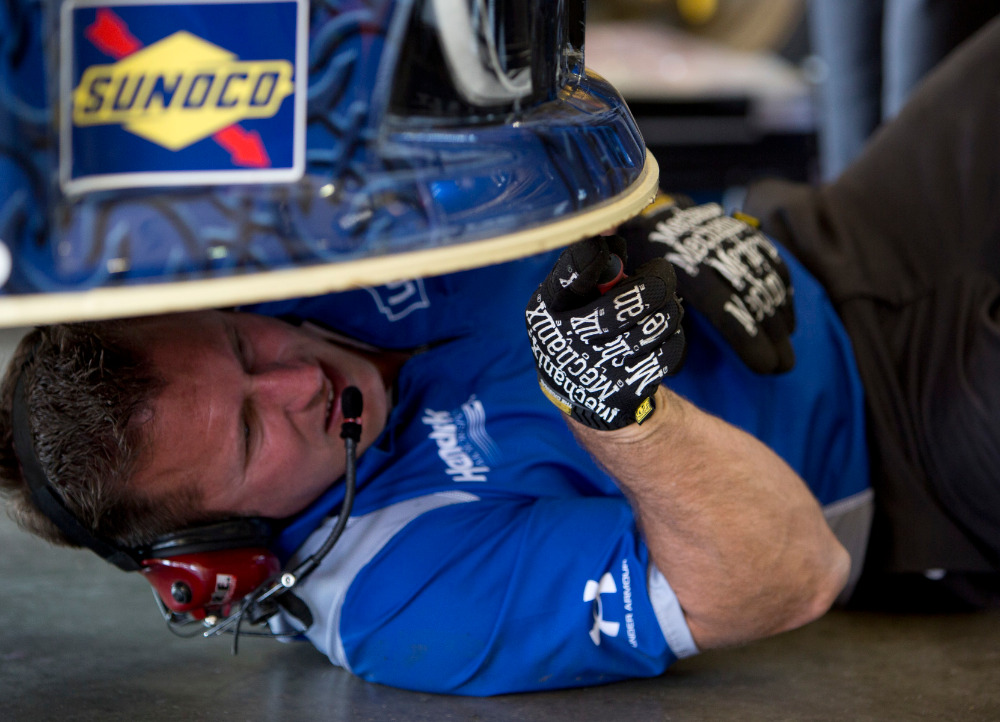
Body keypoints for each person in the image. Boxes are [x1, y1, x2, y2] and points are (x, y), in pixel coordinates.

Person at [2, 11, 1000, 699]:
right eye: (254, 430)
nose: (298, 375)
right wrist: (620, 416)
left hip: (825, 237)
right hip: (904, 447)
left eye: (240, 342)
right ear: (225, 544)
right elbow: (791, 575)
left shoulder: (282, 261)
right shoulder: (401, 597)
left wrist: (654, 236)